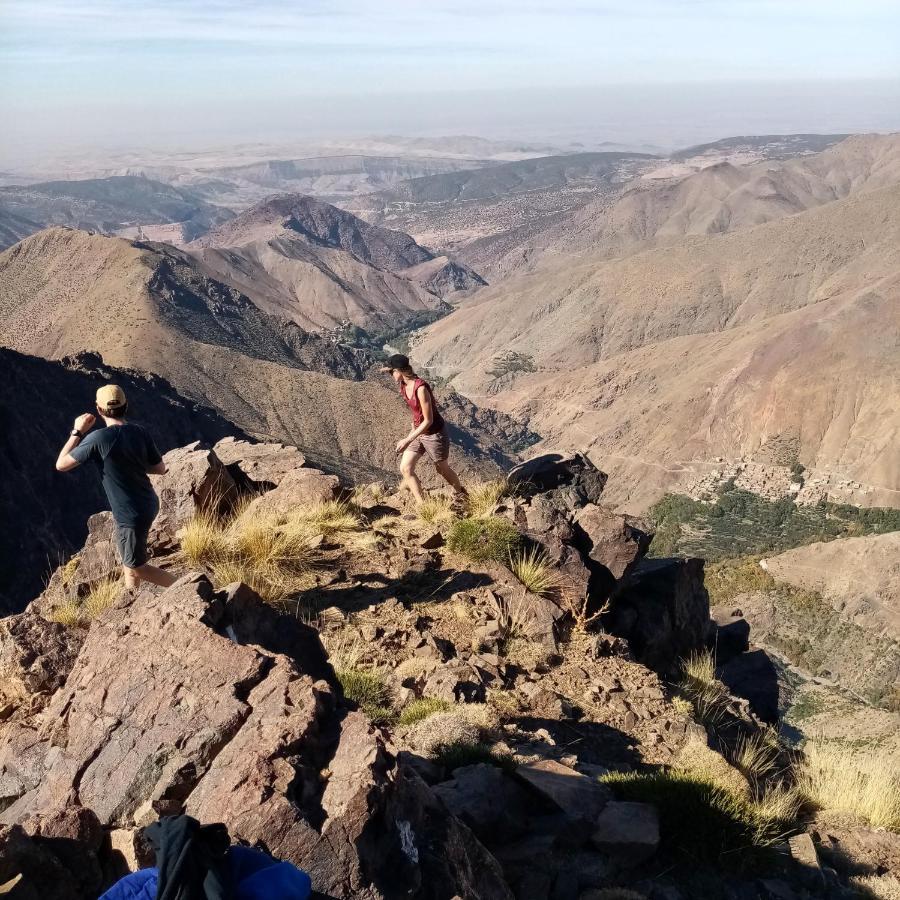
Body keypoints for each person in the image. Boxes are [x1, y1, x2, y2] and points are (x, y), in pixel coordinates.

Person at [55, 384, 176, 591]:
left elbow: (61, 464)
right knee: (129, 560)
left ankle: (190, 587)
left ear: (98, 409)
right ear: (126, 405)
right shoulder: (140, 432)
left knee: (137, 567)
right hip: (148, 502)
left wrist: (77, 432)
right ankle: (131, 598)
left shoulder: (98, 438)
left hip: (130, 513)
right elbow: (160, 468)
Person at [381, 353, 468, 508]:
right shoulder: (403, 384)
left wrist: (407, 440)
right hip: (417, 432)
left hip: (434, 433)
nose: (390, 374)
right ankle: (423, 505)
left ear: (400, 371)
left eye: (392, 371)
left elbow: (429, 420)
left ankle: (461, 494)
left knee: (442, 469)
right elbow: (416, 414)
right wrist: (411, 434)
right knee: (405, 468)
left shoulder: (420, 388)